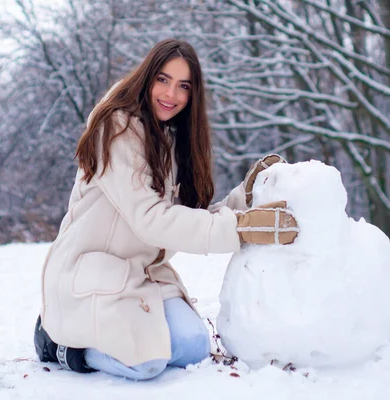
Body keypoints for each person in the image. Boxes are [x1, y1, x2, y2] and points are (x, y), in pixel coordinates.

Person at [34, 38, 299, 380]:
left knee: (192, 346)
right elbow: (152, 221)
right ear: (146, 77)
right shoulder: (117, 129)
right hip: (91, 273)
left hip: (142, 275)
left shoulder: (174, 138)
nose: (171, 94)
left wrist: (243, 201)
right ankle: (63, 344)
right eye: (163, 79)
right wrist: (240, 228)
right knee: (146, 362)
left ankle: (107, 333)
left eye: (183, 86)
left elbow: (188, 217)